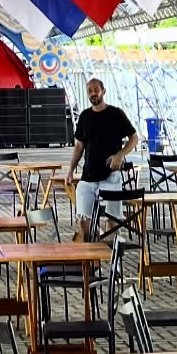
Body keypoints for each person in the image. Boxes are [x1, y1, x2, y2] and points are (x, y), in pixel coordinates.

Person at [68, 79, 138, 241]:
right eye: (90, 91)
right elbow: (79, 146)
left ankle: (112, 255)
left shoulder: (116, 114)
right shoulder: (85, 116)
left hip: (111, 176)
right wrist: (71, 170)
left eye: (96, 90)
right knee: (82, 218)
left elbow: (134, 138)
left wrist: (120, 154)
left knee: (111, 219)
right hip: (88, 175)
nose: (93, 93)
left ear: (103, 91)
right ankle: (89, 254)